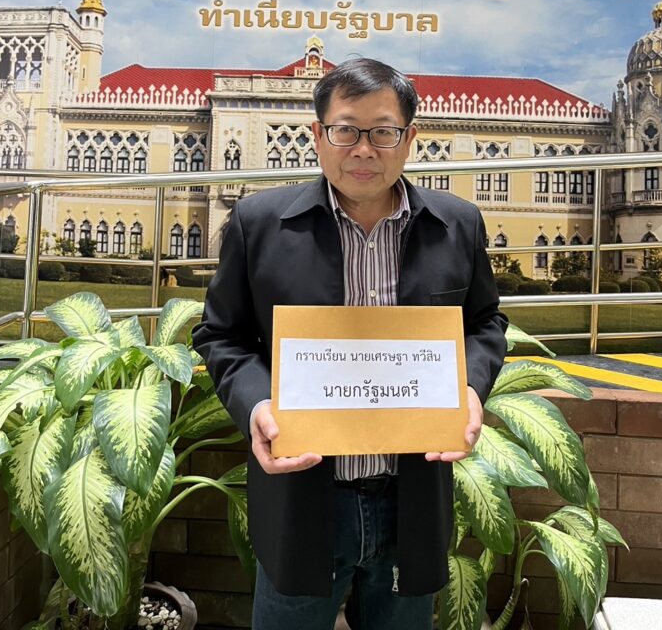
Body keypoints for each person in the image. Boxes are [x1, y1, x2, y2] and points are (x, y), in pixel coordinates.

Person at [192, 58, 508, 630]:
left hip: (411, 498)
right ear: (318, 135)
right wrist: (257, 404)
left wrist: (468, 387)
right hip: (303, 498)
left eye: (383, 132)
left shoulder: (456, 225)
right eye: (345, 130)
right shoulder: (259, 224)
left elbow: (484, 322)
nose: (363, 149)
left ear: (409, 138)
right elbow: (221, 334)